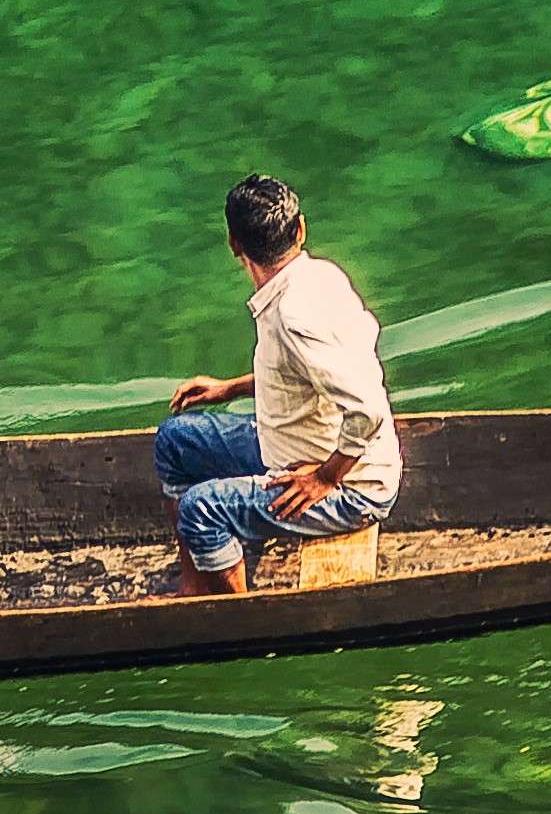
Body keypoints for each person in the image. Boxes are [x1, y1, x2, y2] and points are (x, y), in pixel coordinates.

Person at [151, 174, 400, 594]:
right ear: (300, 229)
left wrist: (325, 478)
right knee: (175, 440)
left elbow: (367, 409)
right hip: (298, 443)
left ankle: (238, 616)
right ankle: (197, 580)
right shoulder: (321, 276)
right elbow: (308, 374)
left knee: (202, 509)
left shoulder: (294, 316)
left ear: (234, 245)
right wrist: (229, 389)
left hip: (355, 490)